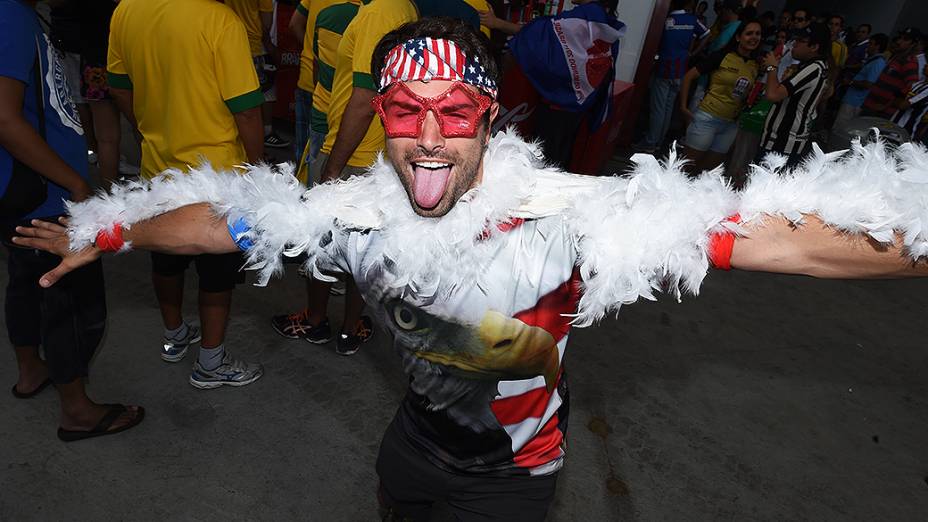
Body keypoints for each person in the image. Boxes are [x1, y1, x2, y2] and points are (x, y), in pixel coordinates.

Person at [15, 17, 928, 519]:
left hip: (513, 482)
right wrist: (113, 230)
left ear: (491, 122)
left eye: (456, 112)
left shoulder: (572, 217)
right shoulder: (352, 219)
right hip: (410, 451)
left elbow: (781, 241)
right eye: (407, 111)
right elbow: (223, 222)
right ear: (383, 121)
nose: (429, 137)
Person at [0, 0, 143, 441]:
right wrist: (75, 185)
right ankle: (77, 411)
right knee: (71, 302)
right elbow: (5, 117)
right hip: (42, 193)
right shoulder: (9, 13)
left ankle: (31, 372)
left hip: (22, 190)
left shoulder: (20, 14)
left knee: (26, 285)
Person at [106, 0, 265, 388]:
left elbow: (117, 85)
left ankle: (175, 335)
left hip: (158, 169)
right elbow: (245, 110)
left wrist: (147, 124)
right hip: (217, 177)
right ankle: (210, 362)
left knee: (165, 260)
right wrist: (259, 170)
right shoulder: (220, 21)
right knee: (216, 273)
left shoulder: (126, 10)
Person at [679, 20, 762, 172]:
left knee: (708, 173)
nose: (754, 37)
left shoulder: (755, 65)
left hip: (730, 125)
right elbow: (688, 76)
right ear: (738, 37)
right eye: (749, 33)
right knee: (686, 169)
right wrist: (683, 107)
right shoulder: (722, 56)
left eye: (758, 34)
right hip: (708, 118)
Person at [635, 0, 710, 154]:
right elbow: (706, 34)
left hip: (664, 68)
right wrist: (693, 53)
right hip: (681, 69)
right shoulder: (692, 20)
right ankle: (658, 141)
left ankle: (650, 142)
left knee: (658, 109)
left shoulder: (666, 19)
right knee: (668, 109)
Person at [758, 23, 830, 169]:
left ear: (814, 47)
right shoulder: (817, 67)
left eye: (801, 41)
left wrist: (772, 67)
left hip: (782, 143)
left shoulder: (813, 68)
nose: (794, 44)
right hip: (784, 141)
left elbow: (772, 95)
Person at [225, 0, 290, 150]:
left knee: (236, 91)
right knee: (264, 93)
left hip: (232, 39)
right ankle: (265, 134)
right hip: (256, 45)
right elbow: (266, 21)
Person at [861, 27, 921, 119]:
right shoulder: (897, 56)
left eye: (905, 39)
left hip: (881, 113)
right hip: (870, 106)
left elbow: (912, 88)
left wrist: (887, 106)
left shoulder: (910, 62)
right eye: (900, 37)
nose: (899, 41)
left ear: (913, 44)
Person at [834, 33, 888, 130]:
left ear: (877, 46)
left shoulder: (878, 63)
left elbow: (869, 84)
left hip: (855, 102)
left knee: (841, 129)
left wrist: (850, 82)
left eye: (871, 43)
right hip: (852, 99)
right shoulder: (873, 60)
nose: (868, 46)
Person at [890, 62, 928, 140]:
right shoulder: (918, 84)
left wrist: (898, 101)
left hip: (905, 131)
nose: (925, 65)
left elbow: (903, 105)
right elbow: (895, 100)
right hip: (893, 125)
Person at [776, 6, 811, 81]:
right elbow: (774, 64)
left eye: (800, 19)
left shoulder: (806, 46)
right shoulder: (790, 41)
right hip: (769, 83)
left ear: (808, 22)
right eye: (794, 19)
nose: (795, 21)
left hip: (781, 86)